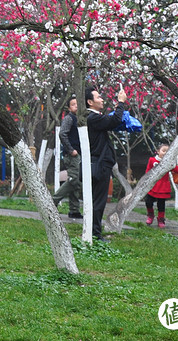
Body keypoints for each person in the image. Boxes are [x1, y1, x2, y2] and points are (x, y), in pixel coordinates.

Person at [86, 85, 128, 240]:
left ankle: (92, 231)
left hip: (98, 163)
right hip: (100, 164)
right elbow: (115, 120)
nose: (102, 99)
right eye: (98, 97)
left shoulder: (92, 117)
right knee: (98, 201)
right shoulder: (93, 118)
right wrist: (121, 103)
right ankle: (95, 234)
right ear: (90, 102)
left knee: (95, 200)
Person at [51, 97, 83, 219]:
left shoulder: (78, 119)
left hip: (78, 154)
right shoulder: (69, 119)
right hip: (71, 155)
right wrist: (71, 150)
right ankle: (52, 201)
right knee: (74, 179)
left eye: (77, 104)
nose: (76, 106)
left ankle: (74, 210)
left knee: (76, 182)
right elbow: (62, 134)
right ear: (69, 108)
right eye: (73, 104)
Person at [144, 143, 175, 228]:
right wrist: (146, 180)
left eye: (167, 151)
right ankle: (150, 215)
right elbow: (148, 170)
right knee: (148, 202)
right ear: (158, 151)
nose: (165, 153)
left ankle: (161, 219)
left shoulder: (168, 162)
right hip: (153, 185)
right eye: (163, 151)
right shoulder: (152, 160)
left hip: (163, 186)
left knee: (161, 204)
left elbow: (174, 168)